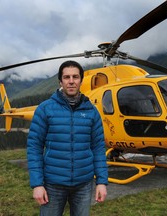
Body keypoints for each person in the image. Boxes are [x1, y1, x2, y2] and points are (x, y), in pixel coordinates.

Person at [27, 60, 108, 216]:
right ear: (60, 81)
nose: (71, 81)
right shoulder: (45, 108)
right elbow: (34, 147)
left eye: (75, 77)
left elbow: (98, 148)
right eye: (67, 77)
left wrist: (102, 182)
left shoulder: (92, 111)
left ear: (81, 80)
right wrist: (37, 184)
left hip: (83, 185)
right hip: (52, 184)